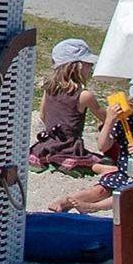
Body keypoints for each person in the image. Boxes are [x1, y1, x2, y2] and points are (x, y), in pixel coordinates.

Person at [49, 80, 133, 213]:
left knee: (125, 193)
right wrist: (109, 120)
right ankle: (66, 201)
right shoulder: (128, 122)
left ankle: (93, 207)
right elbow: (102, 146)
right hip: (125, 173)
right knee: (100, 190)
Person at [29, 39, 103, 172]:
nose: (91, 68)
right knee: (105, 164)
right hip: (70, 148)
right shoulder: (84, 95)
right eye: (88, 64)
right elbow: (105, 117)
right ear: (77, 66)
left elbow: (43, 115)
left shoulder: (49, 88)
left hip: (48, 144)